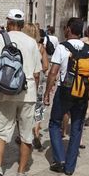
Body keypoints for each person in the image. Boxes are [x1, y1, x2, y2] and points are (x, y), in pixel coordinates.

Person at [0, 9, 42, 176]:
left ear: (8, 22)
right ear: (23, 24)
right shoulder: (32, 42)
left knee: (1, 131)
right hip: (28, 91)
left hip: (5, 91)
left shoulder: (2, 38)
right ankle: (21, 172)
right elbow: (37, 73)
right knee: (26, 135)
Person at [44, 17, 89, 175]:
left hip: (65, 90)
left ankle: (60, 159)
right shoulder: (88, 48)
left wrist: (47, 92)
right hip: (82, 92)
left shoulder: (62, 47)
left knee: (54, 122)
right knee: (77, 126)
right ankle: (70, 167)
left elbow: (53, 72)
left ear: (69, 29)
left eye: (66, 27)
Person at [23, 22, 50, 150]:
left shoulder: (22, 46)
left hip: (24, 81)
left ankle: (24, 133)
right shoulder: (40, 47)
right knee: (38, 107)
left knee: (24, 107)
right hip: (37, 81)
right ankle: (37, 132)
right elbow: (46, 66)